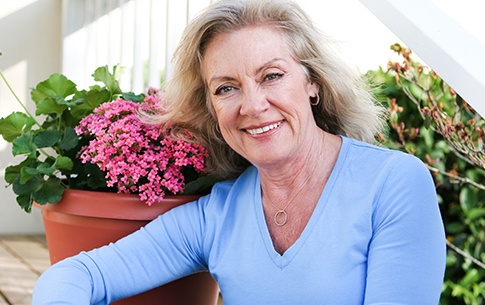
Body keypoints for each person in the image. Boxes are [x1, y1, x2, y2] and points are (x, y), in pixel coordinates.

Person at [33, 0, 446, 304]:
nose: (252, 105)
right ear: (211, 108)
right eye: (226, 88)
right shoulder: (217, 216)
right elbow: (78, 274)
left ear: (313, 82)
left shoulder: (393, 183)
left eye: (272, 76)